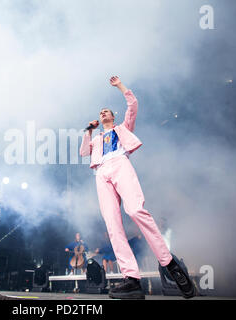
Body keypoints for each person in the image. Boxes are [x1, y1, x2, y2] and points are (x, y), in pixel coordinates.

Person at [79, 76, 196, 299]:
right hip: (101, 172)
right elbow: (84, 152)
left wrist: (119, 86)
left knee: (134, 210)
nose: (103, 113)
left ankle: (170, 264)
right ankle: (131, 279)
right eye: (100, 112)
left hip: (120, 163)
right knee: (113, 225)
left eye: (107, 111)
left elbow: (133, 105)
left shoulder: (122, 128)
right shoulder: (96, 139)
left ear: (113, 117)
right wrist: (88, 130)